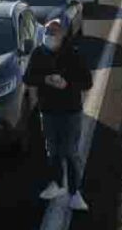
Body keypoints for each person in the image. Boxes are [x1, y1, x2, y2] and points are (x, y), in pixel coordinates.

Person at [23, 19, 93, 211]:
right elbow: (27, 77)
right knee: (52, 150)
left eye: (54, 32)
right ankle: (56, 183)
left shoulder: (74, 54)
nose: (49, 35)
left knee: (70, 152)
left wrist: (67, 84)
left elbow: (87, 82)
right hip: (47, 110)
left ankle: (75, 192)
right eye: (47, 31)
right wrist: (45, 79)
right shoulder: (39, 53)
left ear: (63, 35)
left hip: (70, 111)